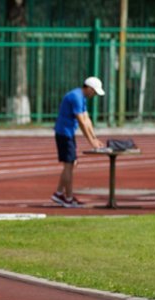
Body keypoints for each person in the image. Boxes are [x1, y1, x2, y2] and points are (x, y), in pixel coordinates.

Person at [51, 76, 105, 207]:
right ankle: (68, 199)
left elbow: (87, 119)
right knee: (69, 166)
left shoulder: (81, 97)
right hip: (64, 134)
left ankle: (59, 194)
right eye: (95, 92)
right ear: (89, 88)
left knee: (72, 164)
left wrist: (95, 138)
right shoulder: (76, 97)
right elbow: (81, 121)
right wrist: (91, 141)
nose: (95, 95)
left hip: (68, 134)